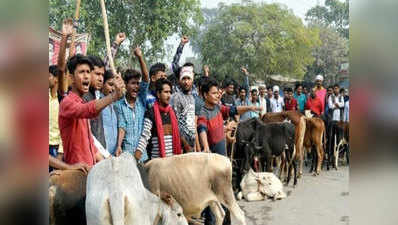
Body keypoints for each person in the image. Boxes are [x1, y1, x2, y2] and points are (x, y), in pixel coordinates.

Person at [197, 78, 261, 225]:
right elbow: (202, 129)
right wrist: (205, 147)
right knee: (212, 200)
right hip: (213, 165)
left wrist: (250, 108)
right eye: (213, 93)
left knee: (225, 197)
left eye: (217, 93)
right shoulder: (203, 112)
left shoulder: (218, 108)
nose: (217, 95)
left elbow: (233, 110)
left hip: (223, 162)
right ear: (205, 95)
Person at [59, 54, 124, 168]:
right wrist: (114, 96)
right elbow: (87, 110)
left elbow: (91, 145)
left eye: (88, 72)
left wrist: (108, 164)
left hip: (90, 171)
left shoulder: (82, 101)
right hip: (76, 174)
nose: (86, 76)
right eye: (81, 72)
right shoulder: (67, 103)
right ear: (71, 78)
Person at [135, 79, 190, 160]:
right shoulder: (151, 113)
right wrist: (136, 157)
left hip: (173, 160)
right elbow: (145, 136)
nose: (169, 95)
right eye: (166, 92)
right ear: (158, 94)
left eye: (170, 92)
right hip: (157, 163)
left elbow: (178, 133)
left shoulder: (172, 112)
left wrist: (188, 148)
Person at [114, 47, 150, 161]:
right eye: (133, 83)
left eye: (137, 83)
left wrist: (140, 57)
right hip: (127, 156)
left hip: (142, 156)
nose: (136, 87)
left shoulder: (142, 100)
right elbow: (122, 126)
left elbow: (146, 78)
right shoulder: (119, 105)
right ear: (125, 84)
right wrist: (119, 146)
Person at [170, 65, 196, 151]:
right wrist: (185, 144)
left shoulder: (192, 97)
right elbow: (175, 123)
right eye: (183, 79)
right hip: (181, 145)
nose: (186, 82)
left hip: (191, 143)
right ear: (179, 81)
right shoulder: (176, 97)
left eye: (188, 79)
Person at [49, 65, 64, 171]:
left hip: (56, 149)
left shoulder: (62, 102)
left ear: (56, 79)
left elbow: (65, 129)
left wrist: (60, 152)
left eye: (48, 76)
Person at [101, 70, 118, 155]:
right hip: (102, 154)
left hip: (114, 154)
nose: (113, 89)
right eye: (110, 84)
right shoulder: (98, 103)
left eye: (115, 86)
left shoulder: (115, 105)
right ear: (102, 84)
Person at [327, 84, 345, 155]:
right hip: (332, 120)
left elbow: (342, 105)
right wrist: (338, 105)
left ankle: (339, 153)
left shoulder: (341, 96)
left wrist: (336, 104)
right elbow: (330, 106)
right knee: (331, 137)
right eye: (335, 88)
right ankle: (330, 152)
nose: (336, 90)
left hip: (339, 120)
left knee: (339, 137)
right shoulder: (330, 97)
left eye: (337, 88)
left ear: (339, 89)